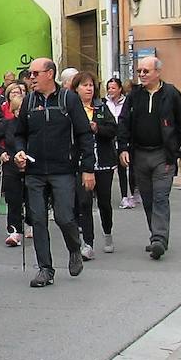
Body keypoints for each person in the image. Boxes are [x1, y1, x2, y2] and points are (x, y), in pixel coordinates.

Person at [9, 58, 96, 289]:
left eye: (35, 73)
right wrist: (19, 152)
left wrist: (88, 168)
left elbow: (85, 135)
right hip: (35, 171)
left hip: (63, 170)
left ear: (50, 74)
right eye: (30, 74)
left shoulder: (69, 99)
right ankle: (45, 268)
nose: (31, 78)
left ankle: (74, 247)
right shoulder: (28, 101)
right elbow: (19, 134)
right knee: (37, 219)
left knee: (64, 217)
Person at [116, 56, 181, 261]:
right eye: (139, 71)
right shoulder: (134, 96)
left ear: (158, 72)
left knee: (160, 197)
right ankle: (155, 235)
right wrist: (123, 148)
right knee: (148, 199)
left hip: (163, 155)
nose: (141, 75)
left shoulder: (171, 94)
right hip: (140, 154)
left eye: (145, 71)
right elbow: (124, 122)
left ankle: (159, 239)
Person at [70, 72, 118, 256]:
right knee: (84, 202)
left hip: (103, 162)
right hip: (82, 163)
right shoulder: (72, 109)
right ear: (76, 89)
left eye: (91, 85)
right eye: (84, 85)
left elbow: (113, 129)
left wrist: (97, 128)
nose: (89, 88)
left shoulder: (101, 107)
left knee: (104, 202)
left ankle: (107, 233)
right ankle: (88, 244)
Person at [0, 82, 27, 247]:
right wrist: (0, 152)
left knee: (32, 199)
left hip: (31, 166)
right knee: (13, 200)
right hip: (10, 165)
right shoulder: (7, 124)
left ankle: (31, 222)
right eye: (17, 110)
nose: (19, 113)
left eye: (22, 110)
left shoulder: (32, 125)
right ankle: (14, 231)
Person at [105, 78, 136, 209]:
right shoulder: (103, 103)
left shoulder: (127, 102)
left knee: (126, 168)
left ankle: (127, 195)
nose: (111, 90)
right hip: (109, 141)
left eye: (113, 88)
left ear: (119, 89)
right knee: (111, 170)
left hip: (124, 139)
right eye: (109, 88)